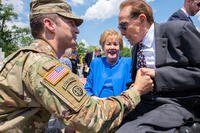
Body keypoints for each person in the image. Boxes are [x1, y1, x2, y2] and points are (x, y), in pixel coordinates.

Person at [0, 0, 154, 132]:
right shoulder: (43, 65)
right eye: (71, 23)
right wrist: (136, 91)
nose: (77, 29)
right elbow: (91, 118)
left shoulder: (33, 58)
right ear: (49, 24)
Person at [116, 0, 200, 133]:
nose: (122, 33)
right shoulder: (136, 48)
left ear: (142, 19)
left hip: (175, 104)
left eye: (123, 26)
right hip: (144, 103)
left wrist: (159, 75)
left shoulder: (179, 31)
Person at [84, 29, 132, 98]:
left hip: (121, 106)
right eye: (108, 44)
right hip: (97, 105)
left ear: (120, 47)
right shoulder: (96, 63)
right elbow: (87, 88)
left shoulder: (128, 63)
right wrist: (93, 98)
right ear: (103, 47)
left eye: (115, 44)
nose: (112, 47)